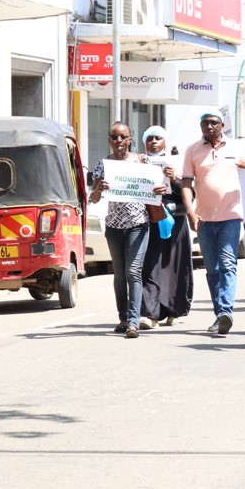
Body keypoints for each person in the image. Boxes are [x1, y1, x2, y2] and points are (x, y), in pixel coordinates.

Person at [182, 108, 245, 334]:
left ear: (222, 125)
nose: (209, 126)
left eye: (214, 122)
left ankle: (225, 311)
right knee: (212, 269)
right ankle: (220, 315)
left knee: (227, 264)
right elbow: (186, 183)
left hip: (231, 217)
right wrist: (190, 213)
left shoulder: (237, 147)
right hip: (204, 218)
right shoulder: (192, 150)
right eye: (205, 123)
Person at [90, 122, 165, 338]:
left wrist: (161, 188)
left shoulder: (142, 161)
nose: (119, 141)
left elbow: (160, 187)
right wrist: (98, 188)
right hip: (114, 226)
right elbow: (93, 199)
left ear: (130, 139)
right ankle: (123, 317)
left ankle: (133, 321)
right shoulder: (103, 165)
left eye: (123, 137)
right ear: (109, 140)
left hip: (138, 224)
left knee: (133, 272)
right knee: (120, 274)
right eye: (114, 137)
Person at [139, 126, 193, 328]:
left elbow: (189, 193)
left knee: (174, 266)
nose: (153, 142)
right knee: (150, 265)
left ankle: (173, 310)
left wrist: (173, 179)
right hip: (150, 221)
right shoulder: (138, 163)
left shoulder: (177, 164)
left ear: (165, 143)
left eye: (158, 138)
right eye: (150, 138)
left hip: (175, 222)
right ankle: (150, 313)